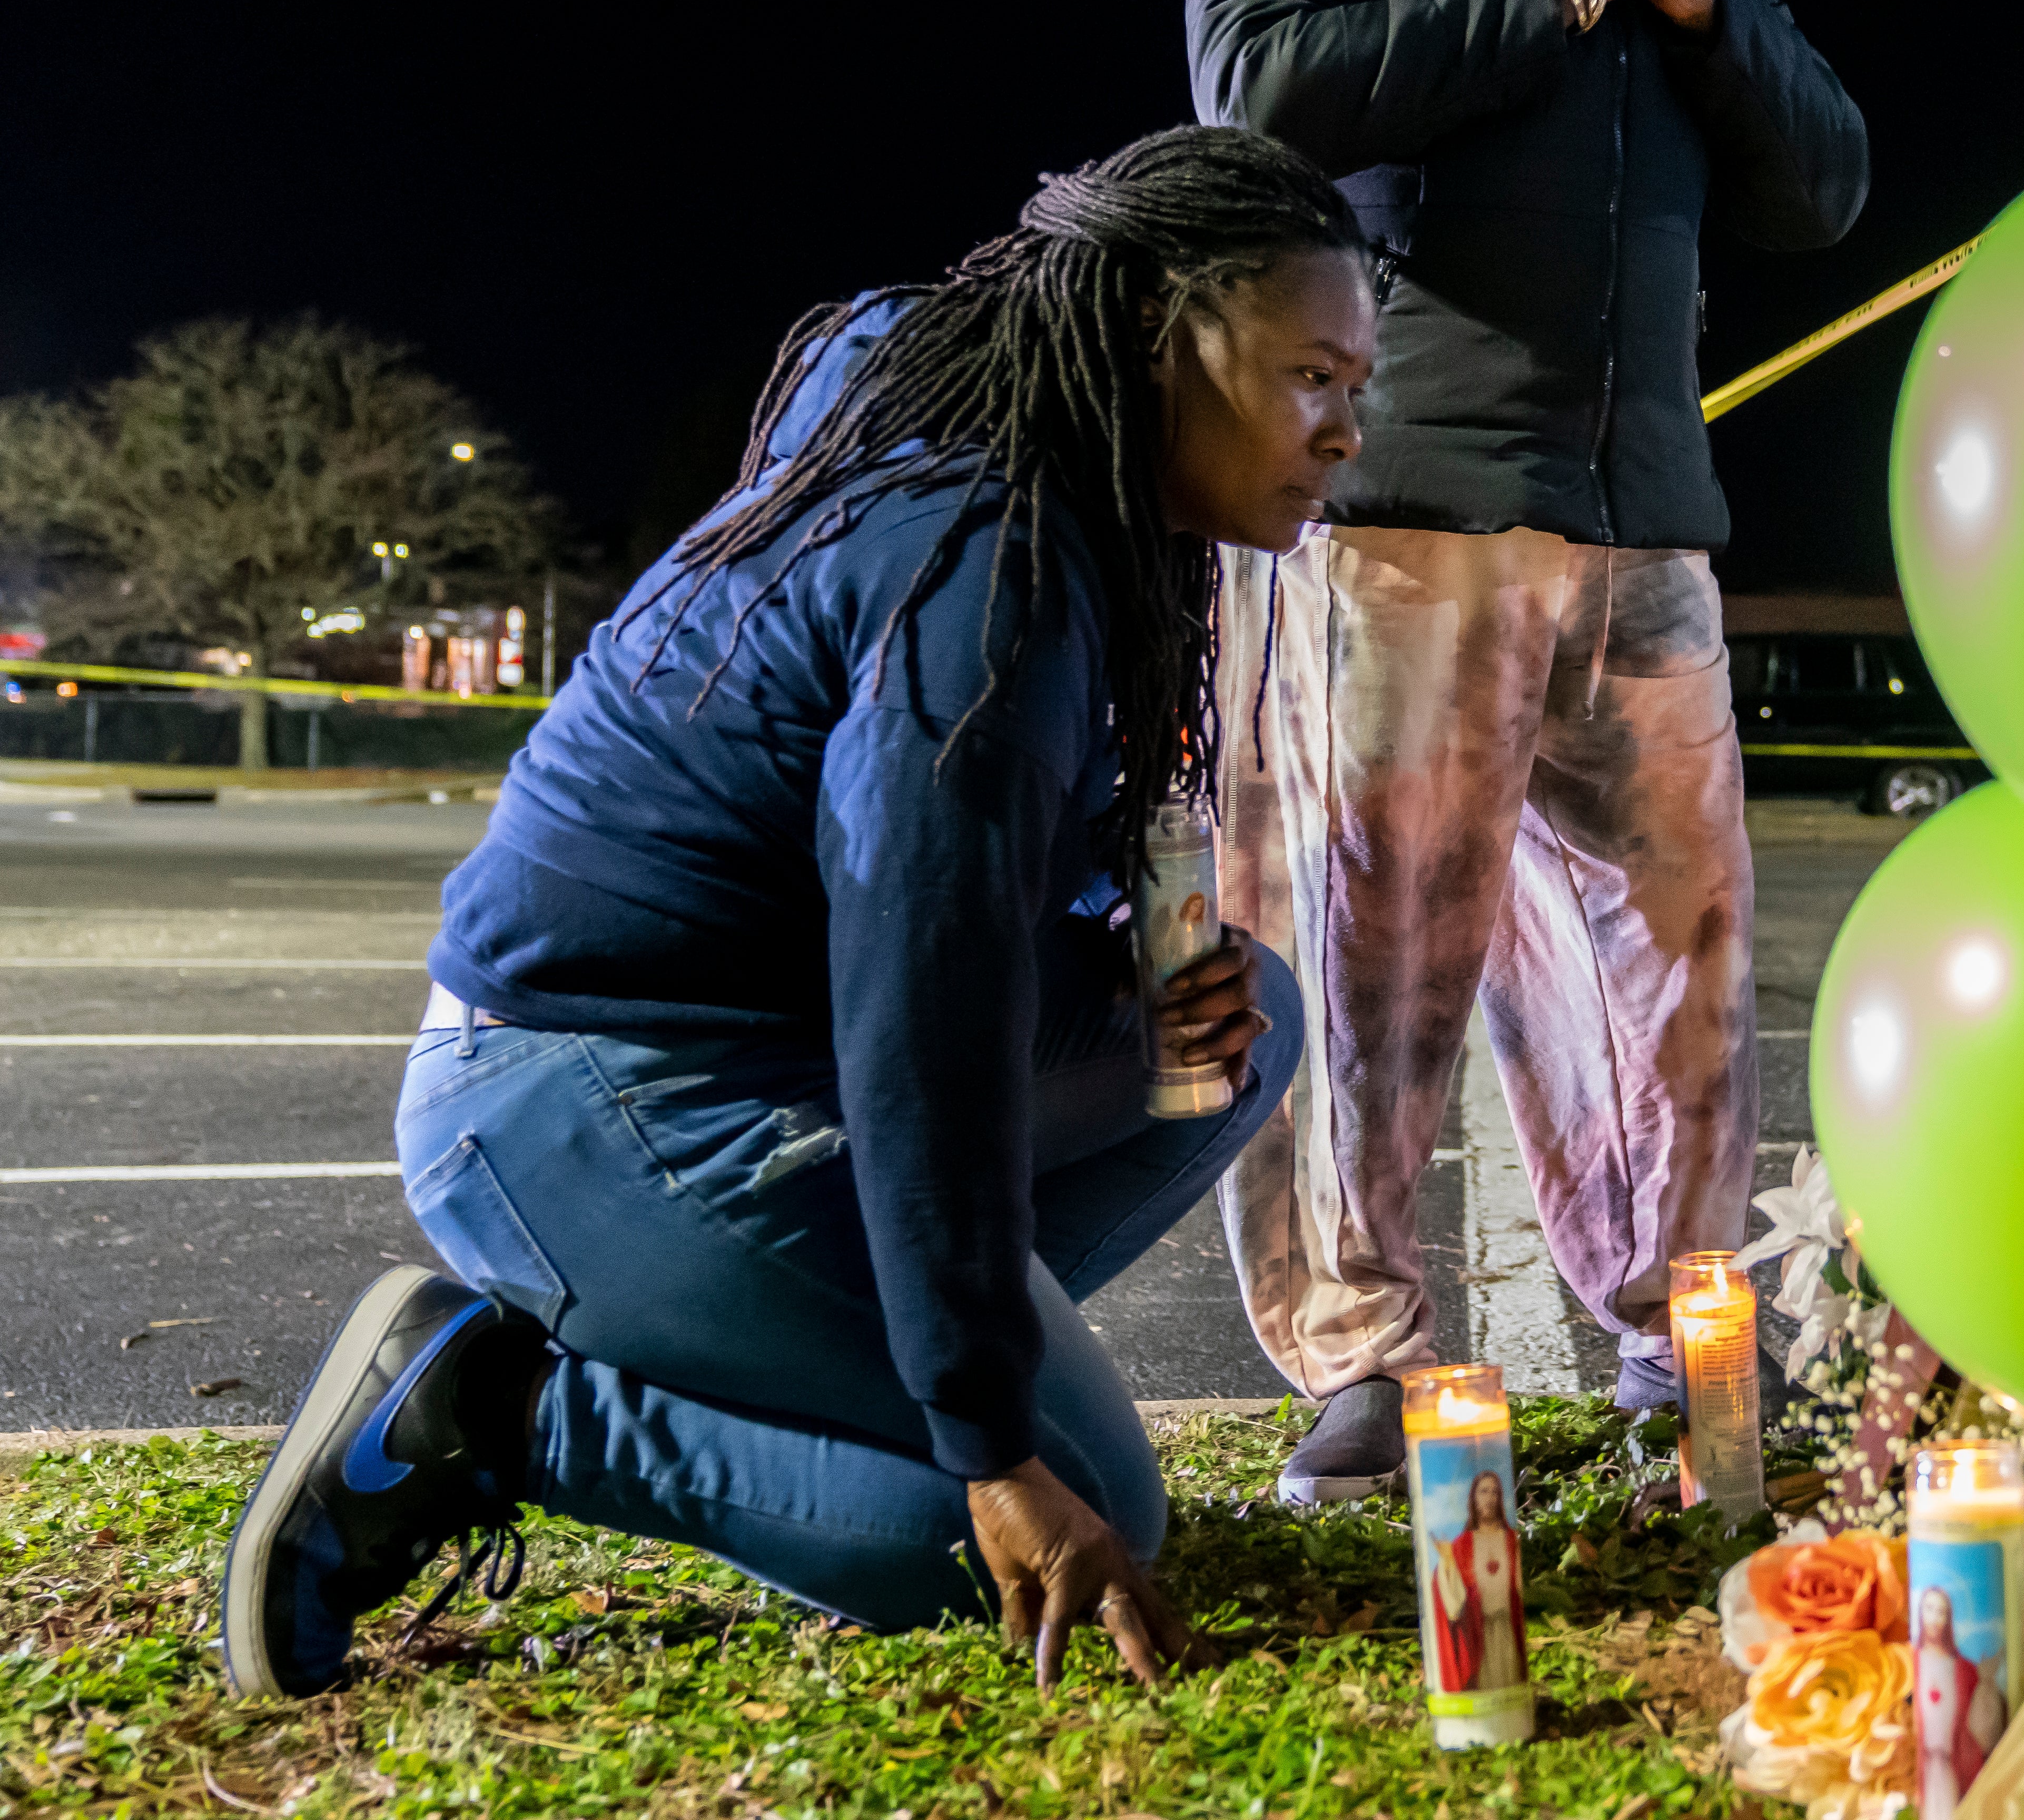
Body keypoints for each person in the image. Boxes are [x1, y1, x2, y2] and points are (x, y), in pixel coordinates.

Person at [220, 128, 1377, 1699]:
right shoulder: (991, 565)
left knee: (1238, 1026)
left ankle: (854, 1337)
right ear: (1160, 341)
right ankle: (488, 1408)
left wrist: (1138, 950)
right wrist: (991, 1445)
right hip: (587, 1085)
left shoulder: (1091, 509)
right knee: (1065, 1526)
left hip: (775, 1053)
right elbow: (925, 1017)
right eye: (1314, 378)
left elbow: (1063, 855)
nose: (1345, 431)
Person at [1184, 0, 1869, 1500]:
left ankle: (1680, 1335)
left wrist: (1700, 1)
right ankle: (1358, 1352)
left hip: (1642, 516)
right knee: (1368, 945)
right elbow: (1262, 83)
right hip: (1400, 498)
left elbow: (1821, 182)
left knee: (1682, 953)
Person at [1423, 1470, 1526, 1696]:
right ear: (1473, 1498)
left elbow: (1518, 1587)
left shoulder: (1510, 1539)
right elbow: (1451, 1596)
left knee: (1511, 1680)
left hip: (1508, 1626)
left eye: (1495, 1492)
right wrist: (1448, 1563)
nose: (1490, 1498)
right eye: (1483, 1492)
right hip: (1479, 1631)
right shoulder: (1462, 1545)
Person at [1911, 1581, 2005, 1820]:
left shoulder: (1964, 1670)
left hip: (1951, 1771)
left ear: (1949, 1618)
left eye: (1941, 1611)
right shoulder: (1908, 1662)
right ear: (1920, 1612)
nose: (1934, 1618)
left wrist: (1987, 1684)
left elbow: (1977, 1727)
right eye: (1929, 1609)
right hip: (1918, 1769)